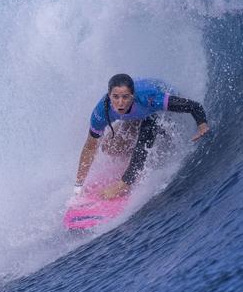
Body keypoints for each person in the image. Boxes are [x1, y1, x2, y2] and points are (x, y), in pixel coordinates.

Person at [74, 73, 210, 200]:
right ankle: (133, 158)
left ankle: (125, 183)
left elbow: (194, 106)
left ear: (132, 95)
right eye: (115, 97)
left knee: (146, 133)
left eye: (125, 97)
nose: (120, 102)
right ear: (109, 95)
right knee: (108, 147)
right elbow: (90, 147)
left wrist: (202, 124)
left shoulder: (149, 99)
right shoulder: (101, 112)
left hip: (158, 107)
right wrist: (78, 186)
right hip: (138, 113)